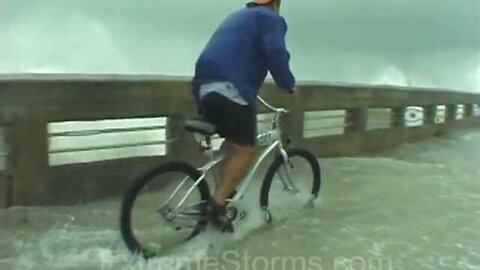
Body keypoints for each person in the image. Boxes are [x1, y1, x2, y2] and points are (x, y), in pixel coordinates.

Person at [191, 0, 297, 232]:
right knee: (247, 150)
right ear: (276, 3)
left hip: (205, 89)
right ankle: (218, 205)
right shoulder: (271, 19)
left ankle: (224, 194)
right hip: (232, 91)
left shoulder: (237, 17)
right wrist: (288, 85)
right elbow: (276, 53)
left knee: (232, 145)